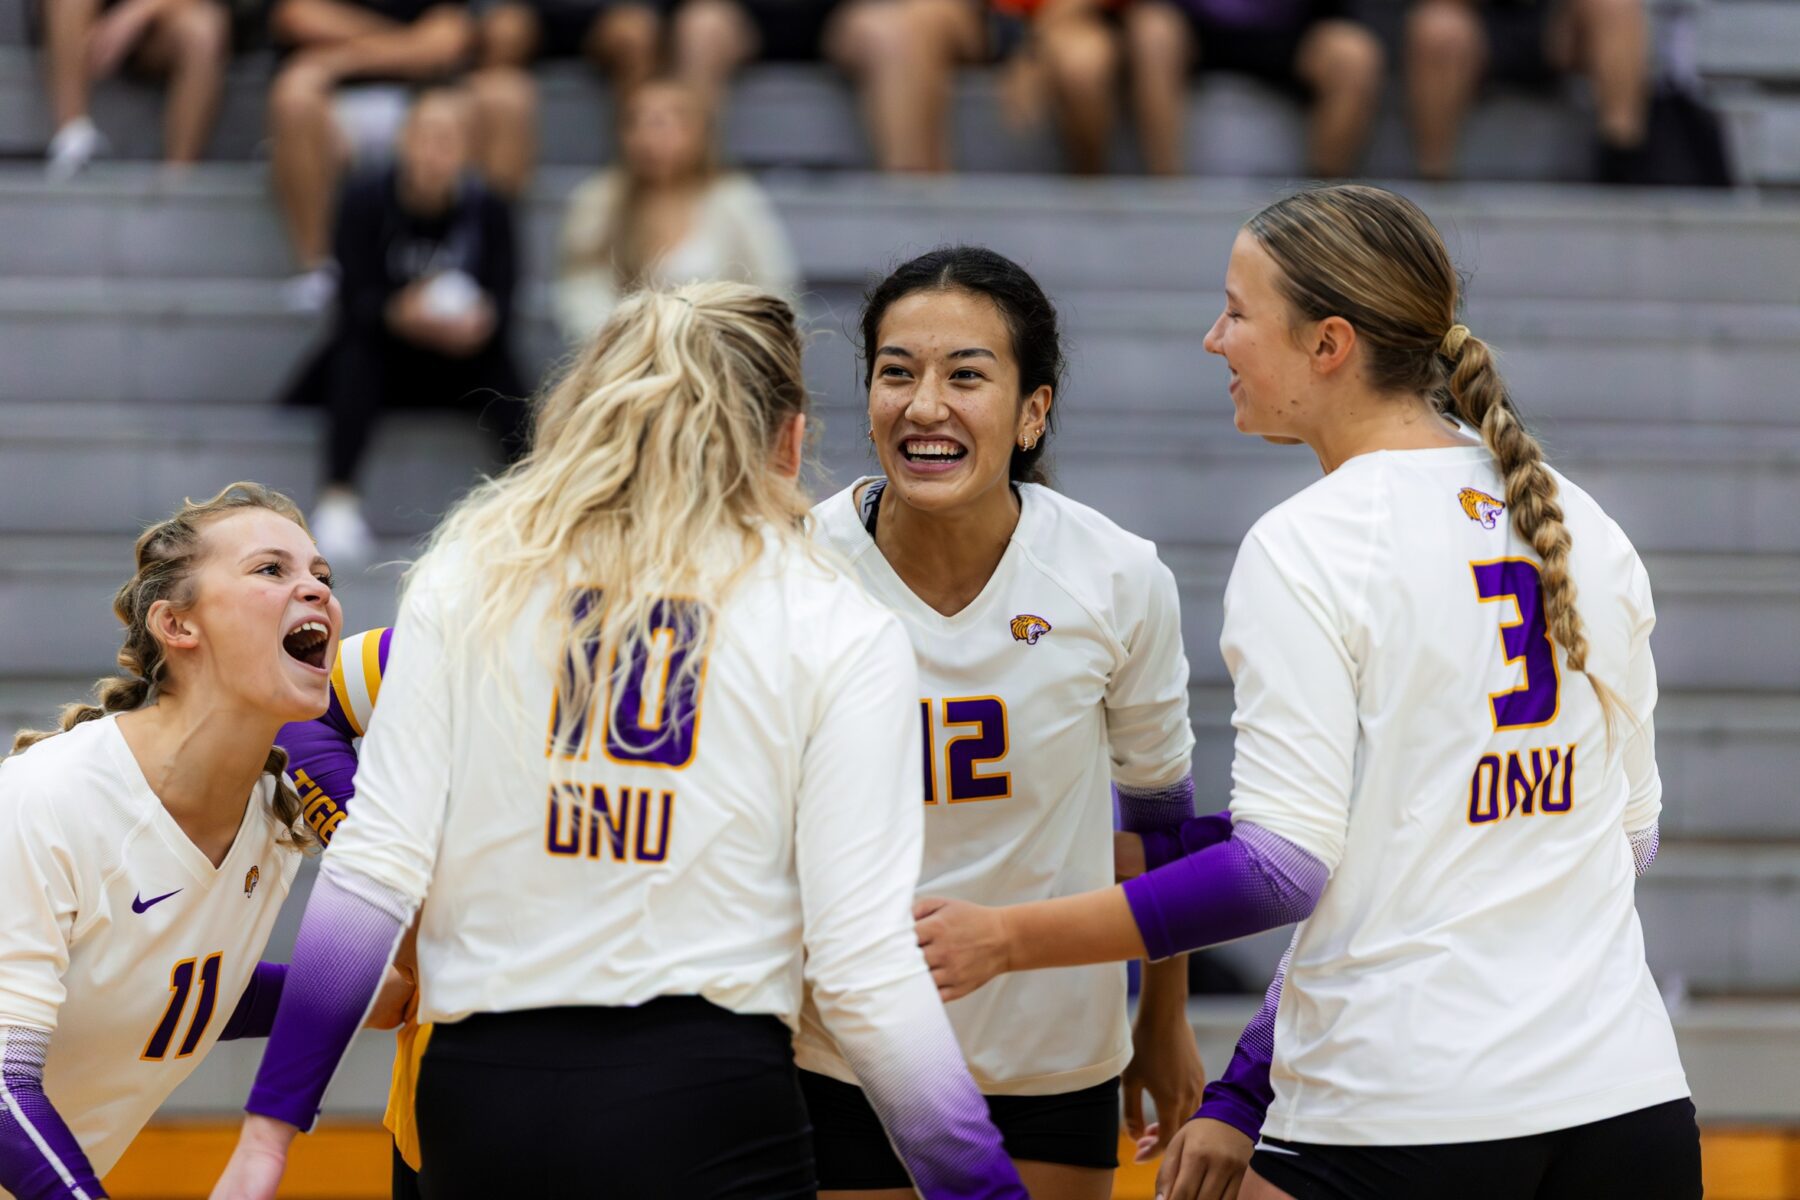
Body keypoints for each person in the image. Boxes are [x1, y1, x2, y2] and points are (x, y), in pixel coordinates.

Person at [911, 185, 1701, 1200]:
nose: (1213, 339)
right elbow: (1617, 837)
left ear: (1329, 344)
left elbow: (1279, 872)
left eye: (1237, 312)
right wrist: (1243, 1090)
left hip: (1400, 1113)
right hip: (1624, 1104)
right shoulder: (1581, 521)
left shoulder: (1310, 546)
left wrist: (1006, 939)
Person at [207, 283, 1028, 1200]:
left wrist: (268, 1131)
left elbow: (372, 871)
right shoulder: (832, 620)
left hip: (479, 1103)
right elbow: (862, 968)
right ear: (790, 441)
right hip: (708, 1103)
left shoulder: (476, 568)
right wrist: (978, 1183)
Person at [796, 246, 1205, 1200]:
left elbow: (1161, 820)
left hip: (1052, 1053)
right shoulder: (792, 565)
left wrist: (1163, 1018)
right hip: (841, 1050)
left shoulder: (1116, 575)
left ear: (1034, 413)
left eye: (965, 375)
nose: (925, 405)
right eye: (896, 372)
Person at [0, 483, 405, 1200]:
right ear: (177, 626)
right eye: (271, 570)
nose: (314, 589)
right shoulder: (46, 798)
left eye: (322, 575)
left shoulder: (273, 815)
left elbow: (166, 988)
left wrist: (342, 991)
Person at [283, 83, 526, 567]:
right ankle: (338, 499)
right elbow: (353, 301)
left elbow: (503, 300)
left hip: (460, 359)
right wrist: (401, 311)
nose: (436, 151)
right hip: (387, 355)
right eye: (428, 136)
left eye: (451, 139)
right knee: (355, 353)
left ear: (468, 150)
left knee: (510, 379)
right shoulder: (364, 201)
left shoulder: (490, 210)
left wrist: (477, 321)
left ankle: (536, 502)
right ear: (404, 141)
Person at [553, 77, 798, 344]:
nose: (650, 136)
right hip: (623, 359)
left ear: (701, 132)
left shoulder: (735, 200)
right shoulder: (599, 199)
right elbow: (581, 289)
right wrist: (622, 343)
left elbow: (774, 291)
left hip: (721, 358)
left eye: (665, 122)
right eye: (637, 122)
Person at [265, 0, 475, 297]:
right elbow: (297, 16)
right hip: (333, 102)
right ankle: (320, 268)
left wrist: (343, 56)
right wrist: (412, 41)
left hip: (422, 96)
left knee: (493, 101)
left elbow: (449, 39)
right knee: (293, 96)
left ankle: (460, 265)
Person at [670, 0, 981, 172]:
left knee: (890, 35)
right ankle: (682, 192)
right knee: (700, 27)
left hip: (849, 13)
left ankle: (910, 198)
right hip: (742, 12)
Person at [1124, 0, 1383, 178]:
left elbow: (1339, 14)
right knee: (1151, 29)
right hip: (1194, 33)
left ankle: (1320, 205)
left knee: (1355, 53)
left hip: (1292, 37)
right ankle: (1168, 190)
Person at [1406, 0, 1651, 183]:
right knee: (1437, 29)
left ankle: (1622, 164)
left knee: (1615, 5)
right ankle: (1434, 183)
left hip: (1555, 21)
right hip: (1475, 20)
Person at [466, 0, 661, 196]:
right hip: (527, 12)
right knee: (503, 32)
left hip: (608, 12)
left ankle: (640, 186)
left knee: (635, 33)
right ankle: (494, 211)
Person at [40, 0, 231, 178]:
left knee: (203, 31)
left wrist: (139, 12)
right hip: (90, 21)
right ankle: (74, 141)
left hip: (165, 22)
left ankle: (177, 180)